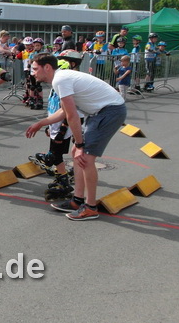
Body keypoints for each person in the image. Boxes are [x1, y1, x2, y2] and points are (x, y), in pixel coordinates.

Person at [26, 55, 126, 221]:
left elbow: (72, 116)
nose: (33, 73)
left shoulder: (60, 80)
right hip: (100, 112)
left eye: (35, 69)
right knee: (76, 153)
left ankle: (90, 207)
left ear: (47, 67)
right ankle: (77, 200)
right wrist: (40, 123)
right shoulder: (60, 78)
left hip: (109, 111)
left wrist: (80, 144)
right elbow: (64, 111)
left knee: (85, 157)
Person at [36, 50, 83, 202]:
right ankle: (61, 178)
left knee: (54, 156)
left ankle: (65, 182)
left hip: (63, 127)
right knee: (57, 156)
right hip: (55, 126)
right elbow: (53, 107)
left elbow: (69, 112)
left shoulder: (66, 84)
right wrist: (49, 125)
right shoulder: (56, 84)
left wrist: (62, 130)